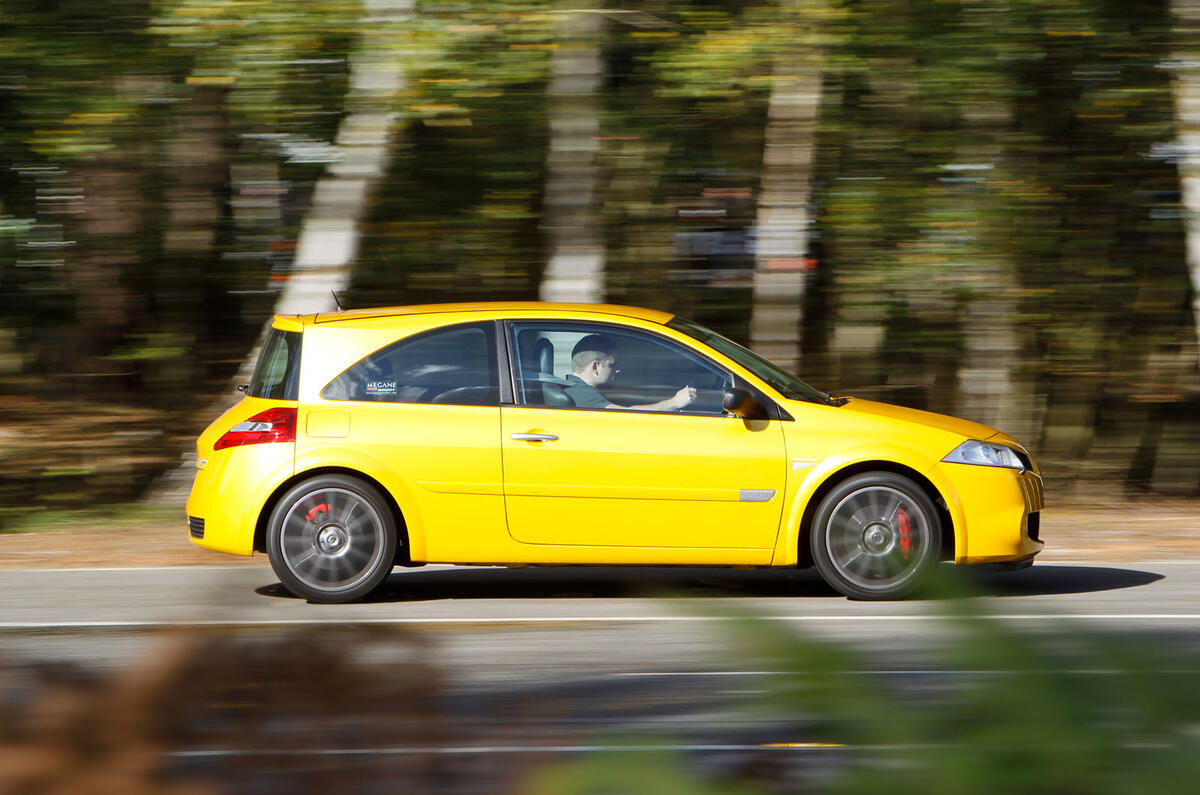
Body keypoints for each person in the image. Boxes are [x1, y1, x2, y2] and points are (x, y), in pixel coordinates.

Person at [563, 334, 696, 411]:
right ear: (595, 367)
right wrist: (675, 402)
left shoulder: (573, 388)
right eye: (612, 364)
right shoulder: (584, 394)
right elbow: (627, 415)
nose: (618, 369)